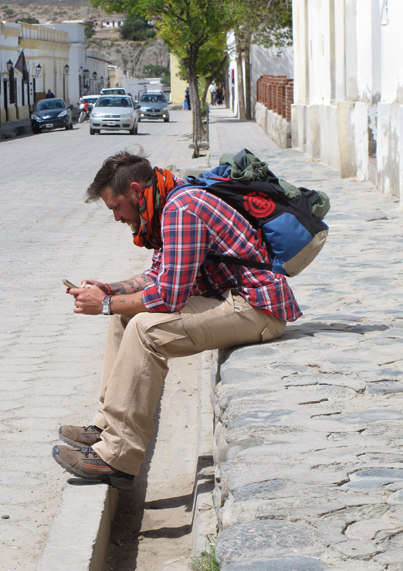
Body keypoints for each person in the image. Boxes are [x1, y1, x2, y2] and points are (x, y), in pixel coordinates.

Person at [52, 150, 301, 489]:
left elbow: (169, 297)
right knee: (124, 317)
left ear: (136, 191)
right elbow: (157, 276)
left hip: (257, 310)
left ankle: (118, 457)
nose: (116, 217)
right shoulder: (167, 200)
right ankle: (105, 426)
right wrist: (110, 289)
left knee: (144, 330)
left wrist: (107, 303)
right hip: (230, 301)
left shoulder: (181, 208)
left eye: (116, 207)